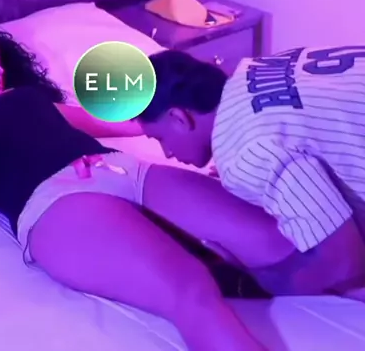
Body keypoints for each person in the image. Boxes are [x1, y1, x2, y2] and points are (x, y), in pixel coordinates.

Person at [0, 21, 284, 351]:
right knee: (190, 289)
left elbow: (129, 124)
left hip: (121, 169)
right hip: (58, 203)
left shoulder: (27, 99)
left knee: (277, 240)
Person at [137, 47, 365, 298]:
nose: (167, 153)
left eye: (160, 138)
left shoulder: (245, 154)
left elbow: (344, 261)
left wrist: (257, 280)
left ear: (179, 118)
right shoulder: (257, 68)